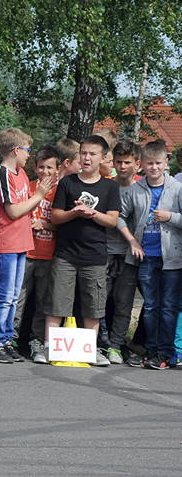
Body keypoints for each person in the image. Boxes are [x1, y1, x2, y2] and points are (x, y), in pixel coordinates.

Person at [46, 135, 120, 367]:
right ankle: (50, 347)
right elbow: (55, 216)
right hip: (66, 254)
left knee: (93, 305)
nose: (87, 158)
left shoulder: (110, 186)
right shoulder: (68, 183)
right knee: (58, 303)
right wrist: (74, 213)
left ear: (103, 157)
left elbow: (112, 220)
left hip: (95, 256)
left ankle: (91, 349)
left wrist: (92, 213)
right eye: (84, 153)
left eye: (92, 154)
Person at [0, 128, 52, 364]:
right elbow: (13, 210)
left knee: (14, 296)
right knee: (5, 295)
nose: (28, 155)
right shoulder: (3, 174)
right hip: (6, 241)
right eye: (27, 150)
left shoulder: (21, 173)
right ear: (16, 150)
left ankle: (6, 340)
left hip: (22, 241)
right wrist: (40, 195)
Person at [116, 140, 180, 370]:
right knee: (150, 306)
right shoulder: (135, 189)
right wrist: (132, 240)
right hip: (146, 256)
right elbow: (119, 216)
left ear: (166, 163)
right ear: (142, 165)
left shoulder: (177, 188)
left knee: (169, 306)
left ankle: (167, 352)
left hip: (172, 258)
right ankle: (151, 350)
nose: (154, 168)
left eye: (158, 163)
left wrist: (170, 216)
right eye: (150, 163)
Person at [13, 146, 60, 364]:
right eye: (41, 167)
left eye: (50, 167)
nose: (45, 171)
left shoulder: (61, 191)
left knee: (43, 300)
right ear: (35, 168)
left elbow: (65, 222)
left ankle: (36, 340)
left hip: (49, 254)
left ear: (57, 169)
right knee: (18, 298)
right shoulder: (29, 187)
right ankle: (11, 337)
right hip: (27, 251)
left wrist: (45, 224)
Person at [101, 141, 141, 364]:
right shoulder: (106, 186)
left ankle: (116, 344)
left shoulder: (142, 189)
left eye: (127, 162)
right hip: (105, 250)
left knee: (124, 302)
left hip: (129, 255)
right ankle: (102, 342)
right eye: (119, 162)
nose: (123, 166)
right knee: (100, 300)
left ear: (137, 164)